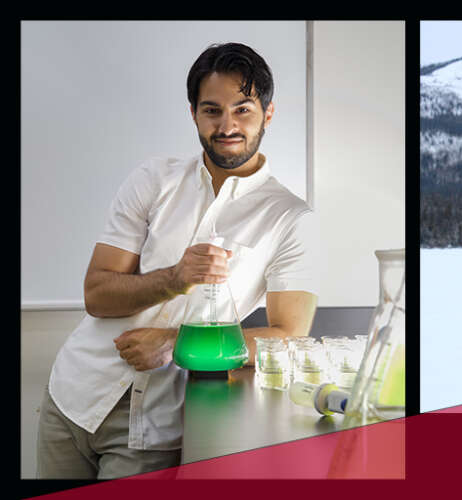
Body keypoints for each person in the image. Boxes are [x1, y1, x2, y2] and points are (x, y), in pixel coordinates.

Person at [37, 42, 318, 478]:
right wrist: (174, 277)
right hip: (72, 394)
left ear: (268, 112)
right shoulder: (153, 179)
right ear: (194, 114)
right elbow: (97, 294)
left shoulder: (290, 216)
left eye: (243, 109)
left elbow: (289, 334)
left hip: (155, 426)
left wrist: (174, 341)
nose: (227, 125)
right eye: (212, 111)